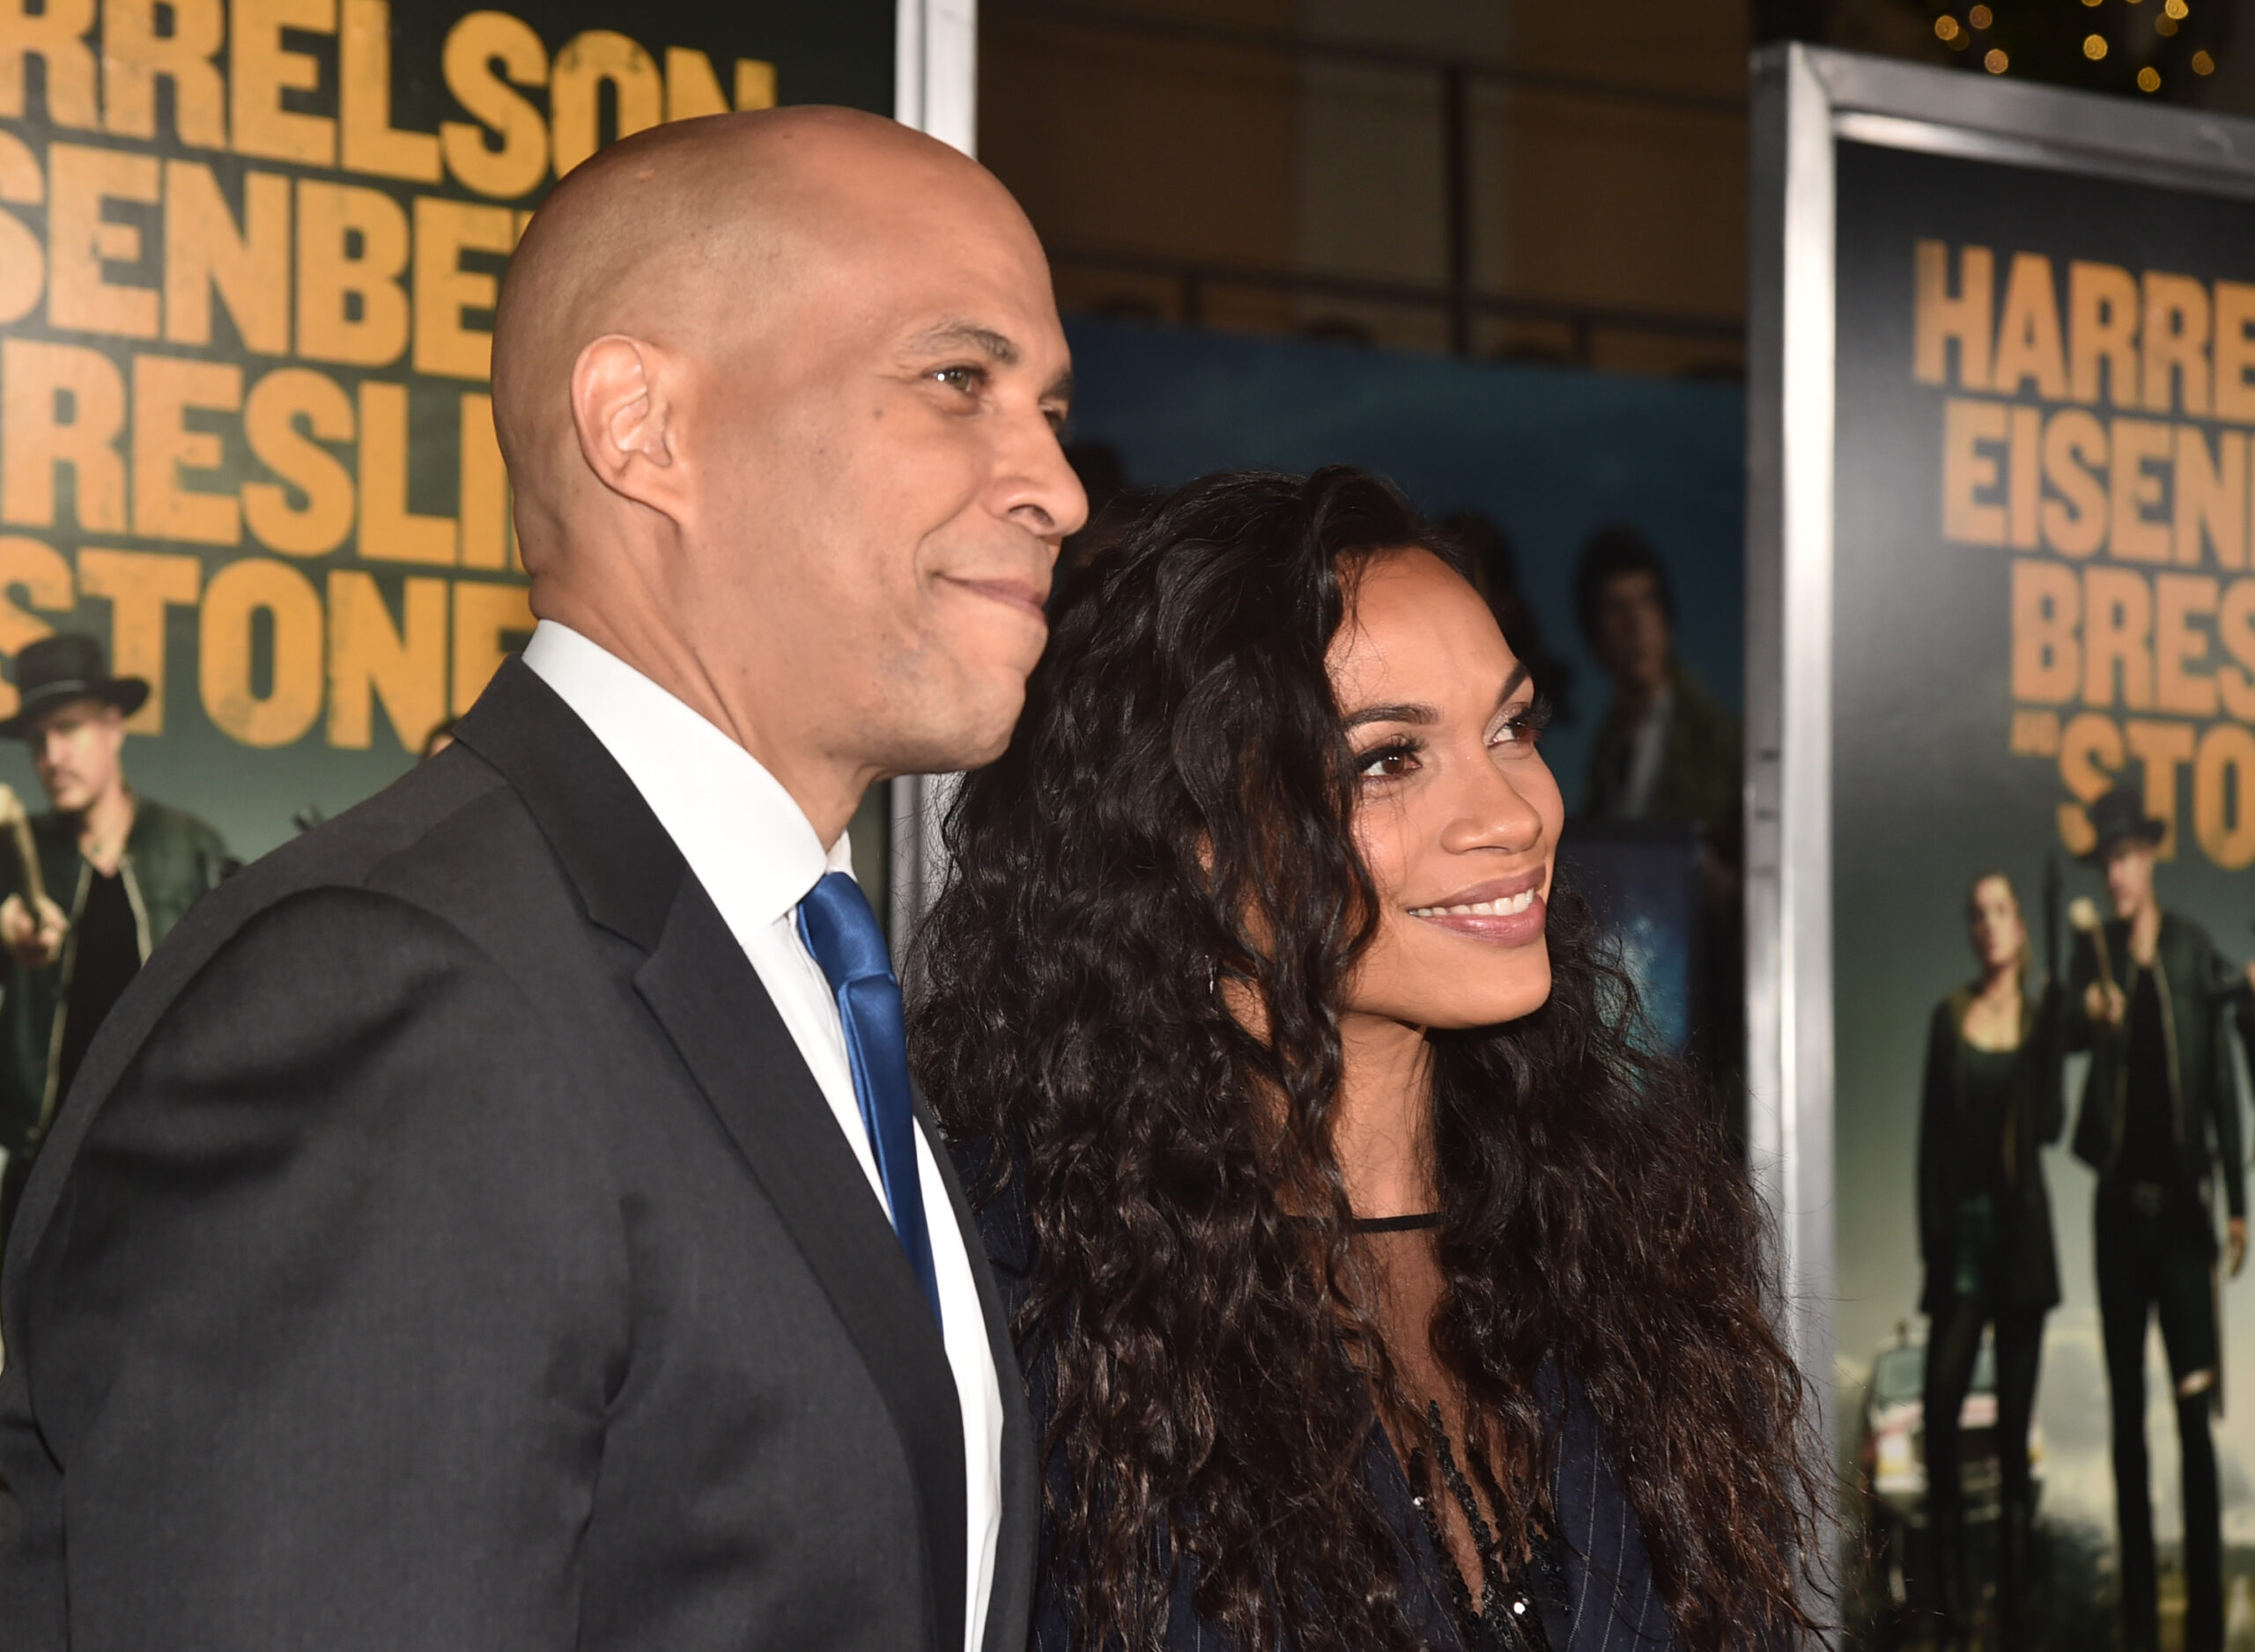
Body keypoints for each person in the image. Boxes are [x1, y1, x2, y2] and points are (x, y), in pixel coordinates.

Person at [0, 107, 1085, 1652]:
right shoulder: (397, 999)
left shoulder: (792, 970)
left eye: (1047, 404)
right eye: (957, 381)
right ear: (643, 426)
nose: (1056, 482)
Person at [912, 468, 1817, 1652]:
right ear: (1183, 836)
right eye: (1389, 759)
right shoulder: (1020, 1290)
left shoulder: (1625, 1252)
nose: (1516, 813)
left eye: (1514, 728)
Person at [2069, 785, 2255, 1652]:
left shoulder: (2188, 948)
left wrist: (2237, 1208)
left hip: (2185, 1213)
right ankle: (2141, 1626)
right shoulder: (2092, 951)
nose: (2115, 871)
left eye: (2126, 854)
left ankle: (2211, 1627)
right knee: (2125, 1426)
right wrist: (2088, 1009)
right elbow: (2065, 1028)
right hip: (2115, 1215)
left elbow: (2219, 1080)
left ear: (2150, 857)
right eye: (2105, 859)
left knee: (2191, 1415)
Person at [0, 633, 233, 1257]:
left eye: (69, 729)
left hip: (164, 1170)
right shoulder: (13, 854)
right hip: (38, 1173)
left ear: (113, 726)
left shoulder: (192, 850)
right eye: (37, 739)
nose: (51, 755)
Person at [1913, 872, 2064, 1645]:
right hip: (1961, 1243)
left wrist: (2055, 1020)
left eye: (2002, 911)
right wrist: (1935, 1246)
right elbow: (1930, 1140)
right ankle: (1949, 1601)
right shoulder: (1948, 1017)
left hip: (2023, 1247)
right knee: (1940, 1415)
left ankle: (2015, 1610)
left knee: (2011, 1434)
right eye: (1978, 913)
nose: (1989, 924)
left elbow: (2047, 1126)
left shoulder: (2042, 1020)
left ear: (2020, 928)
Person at [1573, 525, 1737, 844]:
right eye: (1617, 609)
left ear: (1666, 618)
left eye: (1648, 601)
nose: (1637, 625)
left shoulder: (1718, 736)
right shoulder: (1610, 742)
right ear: (1596, 638)